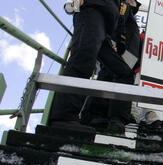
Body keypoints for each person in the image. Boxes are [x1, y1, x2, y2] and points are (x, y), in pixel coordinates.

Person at [49, 0, 135, 134]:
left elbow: (120, 22)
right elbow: (70, 6)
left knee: (125, 73)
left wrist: (120, 42)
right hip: (92, 13)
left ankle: (118, 120)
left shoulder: (123, 5)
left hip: (106, 30)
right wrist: (73, 5)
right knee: (83, 60)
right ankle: (64, 117)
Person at [80, 0, 142, 135]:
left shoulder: (129, 16)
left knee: (113, 76)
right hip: (117, 48)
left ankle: (107, 116)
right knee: (109, 75)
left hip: (127, 53)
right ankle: (98, 115)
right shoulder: (121, 10)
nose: (132, 3)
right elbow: (115, 27)